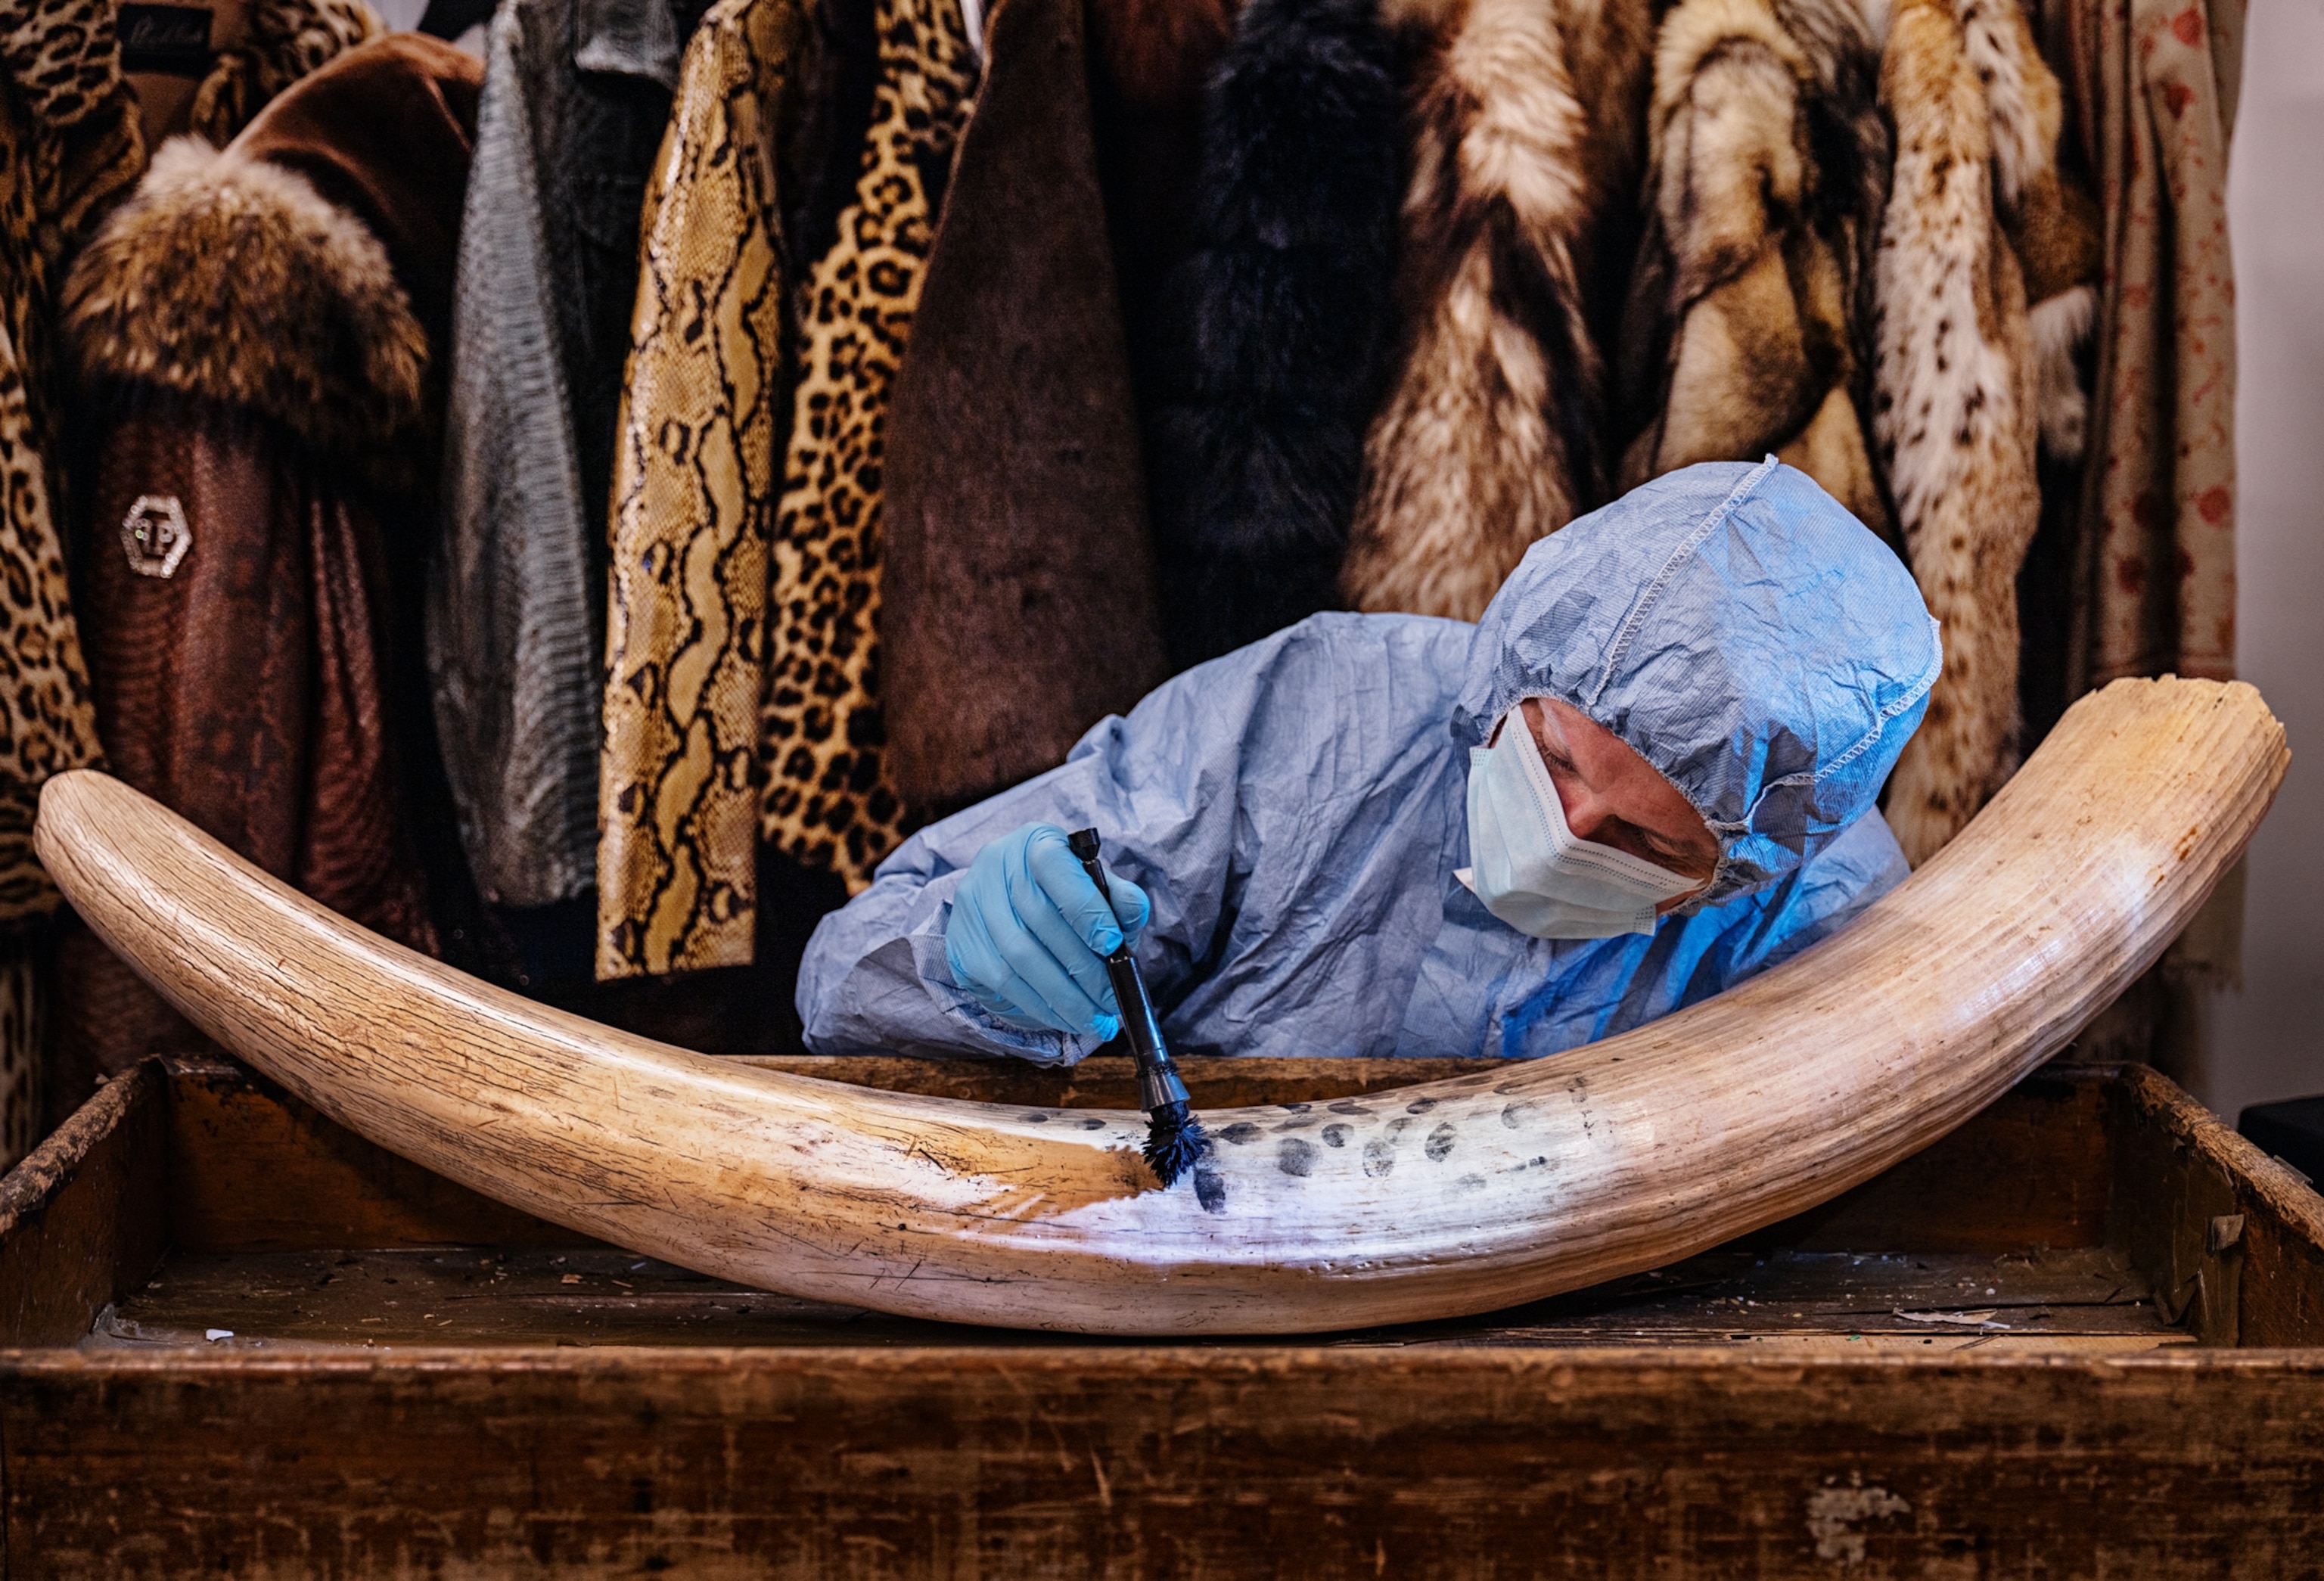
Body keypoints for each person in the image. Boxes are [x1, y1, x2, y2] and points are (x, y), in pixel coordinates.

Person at [799, 458, 1941, 1064]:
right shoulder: (1315, 717)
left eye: (1645, 840)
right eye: (1552, 758)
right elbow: (841, 973)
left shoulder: (1825, 913)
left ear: (1747, 867)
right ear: (1518, 669)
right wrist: (960, 961)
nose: (1567, 829)